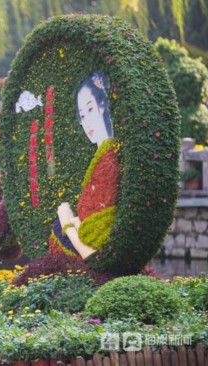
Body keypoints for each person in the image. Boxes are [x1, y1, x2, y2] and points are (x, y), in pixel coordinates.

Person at [49, 71, 119, 260]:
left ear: (102, 106)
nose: (86, 122)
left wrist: (67, 222)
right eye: (82, 115)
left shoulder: (109, 160)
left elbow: (93, 249)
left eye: (90, 110)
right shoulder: (102, 157)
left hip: (87, 251)